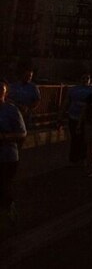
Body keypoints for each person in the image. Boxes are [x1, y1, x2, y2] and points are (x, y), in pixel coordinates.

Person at [0, 80, 28, 235]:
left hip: (7, 156)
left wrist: (5, 136)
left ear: (5, 93)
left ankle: (9, 208)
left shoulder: (11, 110)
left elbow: (22, 133)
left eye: (1, 90)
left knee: (3, 185)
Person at [63, 72, 92, 165]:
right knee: (74, 138)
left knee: (84, 138)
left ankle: (82, 157)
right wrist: (61, 114)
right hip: (73, 116)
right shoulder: (74, 89)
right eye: (83, 78)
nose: (85, 80)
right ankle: (73, 158)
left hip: (86, 118)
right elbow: (67, 101)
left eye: (87, 78)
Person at [9, 64, 41, 129]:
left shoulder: (33, 87)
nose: (28, 77)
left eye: (30, 76)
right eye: (27, 75)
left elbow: (37, 100)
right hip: (14, 112)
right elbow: (9, 97)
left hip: (26, 113)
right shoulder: (15, 85)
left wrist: (29, 108)